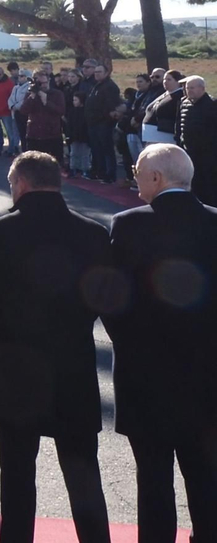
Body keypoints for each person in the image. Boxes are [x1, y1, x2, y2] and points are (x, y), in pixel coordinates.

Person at [0, 151, 112, 543]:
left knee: (17, 477)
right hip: (73, 366)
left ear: (20, 183)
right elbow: (105, 297)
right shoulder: (93, 233)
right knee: (83, 474)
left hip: (14, 367)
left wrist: (1, 338)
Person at [105, 144, 217, 543]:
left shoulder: (128, 224)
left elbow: (111, 301)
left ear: (156, 178)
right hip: (207, 376)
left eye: (138, 171)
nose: (135, 178)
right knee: (206, 476)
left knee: (152, 478)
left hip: (145, 376)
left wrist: (132, 347)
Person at [177, 76, 217, 205]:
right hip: (188, 151)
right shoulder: (184, 103)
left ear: (202, 88)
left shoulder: (212, 104)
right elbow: (179, 125)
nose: (189, 91)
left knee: (208, 184)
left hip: (207, 154)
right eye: (188, 88)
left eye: (192, 88)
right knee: (192, 183)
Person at [83, 64, 121, 183]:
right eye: (96, 72)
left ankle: (109, 174)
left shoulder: (110, 86)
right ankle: (100, 172)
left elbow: (110, 106)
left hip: (104, 123)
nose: (97, 74)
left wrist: (104, 117)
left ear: (106, 73)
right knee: (96, 149)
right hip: (93, 123)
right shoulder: (96, 86)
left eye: (100, 72)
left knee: (106, 149)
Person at [19, 70, 66, 162]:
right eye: (40, 83)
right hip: (34, 134)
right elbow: (23, 111)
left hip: (52, 135)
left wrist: (46, 102)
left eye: (45, 82)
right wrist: (32, 97)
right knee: (33, 165)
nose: (44, 85)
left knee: (54, 164)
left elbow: (61, 111)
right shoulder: (30, 95)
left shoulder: (57, 94)